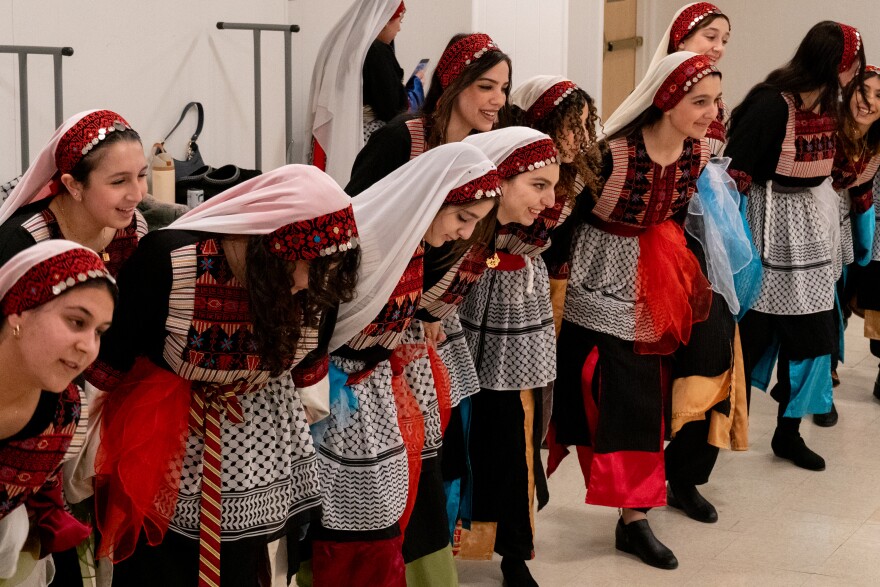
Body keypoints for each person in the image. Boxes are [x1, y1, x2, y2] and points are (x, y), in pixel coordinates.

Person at [86, 165, 361, 586]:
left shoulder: (319, 280)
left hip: (259, 445)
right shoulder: (170, 261)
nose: (313, 283)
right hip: (163, 439)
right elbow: (110, 361)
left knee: (242, 563)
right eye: (307, 267)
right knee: (158, 564)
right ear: (274, 252)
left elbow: (309, 371)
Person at [548, 52, 722, 570]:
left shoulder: (699, 153)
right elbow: (559, 227)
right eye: (699, 102)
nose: (711, 112)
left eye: (715, 100)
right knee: (622, 389)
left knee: (709, 352)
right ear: (666, 101)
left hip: (662, 267)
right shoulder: (610, 157)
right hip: (601, 279)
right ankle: (634, 516)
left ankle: (680, 477)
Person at [302, 142, 499, 587]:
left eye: (474, 223)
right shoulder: (367, 243)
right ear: (433, 199)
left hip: (371, 392)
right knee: (351, 522)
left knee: (386, 514)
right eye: (461, 218)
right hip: (334, 396)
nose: (465, 233)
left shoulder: (414, 244)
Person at [454, 78, 601, 586]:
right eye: (571, 124)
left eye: (587, 125)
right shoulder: (474, 213)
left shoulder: (562, 177)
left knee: (519, 421)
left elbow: (544, 246)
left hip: (522, 304)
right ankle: (461, 532)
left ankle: (516, 549)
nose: (581, 137)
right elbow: (480, 255)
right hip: (478, 298)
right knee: (470, 420)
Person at [400, 127, 563, 586]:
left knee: (508, 440)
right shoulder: (455, 237)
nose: (549, 200)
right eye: (538, 186)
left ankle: (507, 550)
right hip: (422, 353)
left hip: (480, 341)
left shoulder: (496, 234)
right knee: (445, 451)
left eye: (553, 186)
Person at [726, 21, 865, 471]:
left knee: (813, 340)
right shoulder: (771, 104)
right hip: (767, 230)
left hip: (810, 232)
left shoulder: (829, 104)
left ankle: (789, 434)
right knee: (749, 337)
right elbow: (735, 173)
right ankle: (719, 434)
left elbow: (836, 168)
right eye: (852, 65)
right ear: (834, 64)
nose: (855, 74)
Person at [645, 1, 752, 526]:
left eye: (724, 39)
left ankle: (686, 475)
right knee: (653, 364)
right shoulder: (649, 106)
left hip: (704, 243)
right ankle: (642, 485)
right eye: (709, 34)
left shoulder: (718, 106)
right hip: (659, 245)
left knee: (713, 346)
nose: (718, 46)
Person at [0, 241, 116, 586]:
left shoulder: (64, 408)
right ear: (19, 309)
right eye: (76, 321)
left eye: (99, 332)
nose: (89, 346)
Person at [346, 32, 511, 195]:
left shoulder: (482, 150)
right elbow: (354, 207)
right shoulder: (400, 138)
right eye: (486, 87)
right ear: (454, 85)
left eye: (503, 89)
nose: (499, 100)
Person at [0, 109, 148, 275]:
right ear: (73, 186)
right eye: (119, 181)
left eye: (142, 175)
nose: (137, 195)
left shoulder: (134, 227)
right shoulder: (24, 243)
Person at [308, 0, 412, 185]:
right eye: (400, 21)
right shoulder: (376, 50)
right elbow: (390, 107)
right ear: (385, 19)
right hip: (365, 138)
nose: (399, 29)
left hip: (336, 135)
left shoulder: (342, 44)